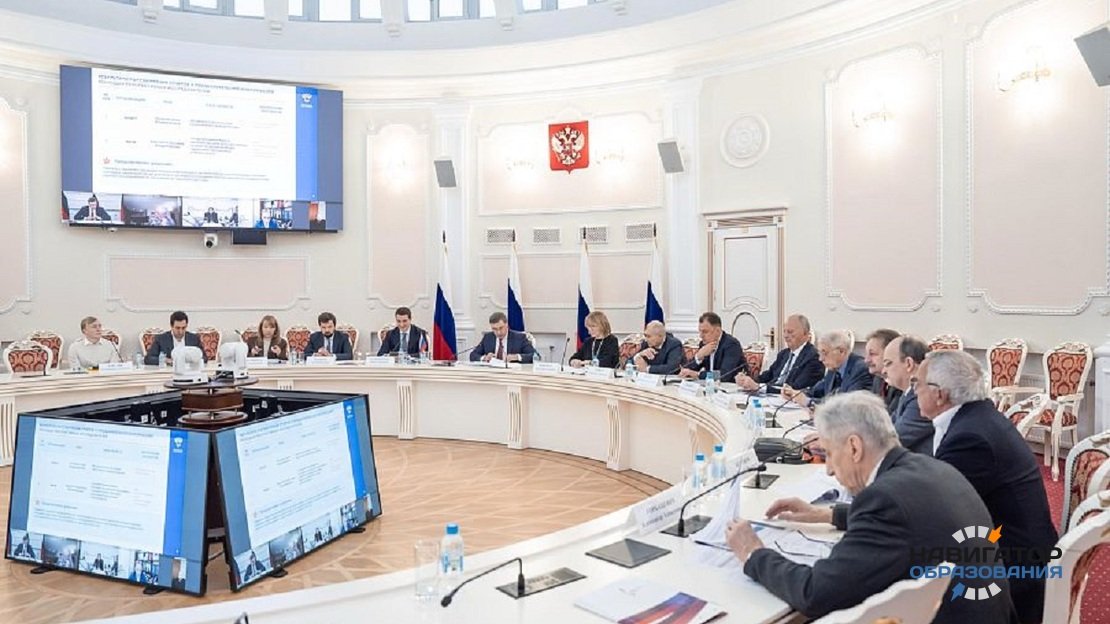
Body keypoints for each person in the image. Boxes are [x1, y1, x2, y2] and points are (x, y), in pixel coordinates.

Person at [728, 392, 1016, 623]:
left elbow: (816, 594)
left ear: (854, 447)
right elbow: (909, 520)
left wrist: (754, 553)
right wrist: (828, 514)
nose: (829, 469)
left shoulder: (883, 500)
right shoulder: (931, 467)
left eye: (829, 454)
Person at [918, 350, 1057, 624]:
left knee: (899, 577)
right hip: (1018, 550)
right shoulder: (977, 417)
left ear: (939, 394)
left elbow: (932, 510)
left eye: (917, 385)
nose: (914, 393)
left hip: (1014, 574)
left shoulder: (970, 438)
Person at [735, 314, 824, 393]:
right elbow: (768, 376)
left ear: (805, 333)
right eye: (784, 331)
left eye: (790, 332)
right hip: (770, 397)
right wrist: (747, 380)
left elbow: (795, 389)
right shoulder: (784, 354)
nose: (785, 336)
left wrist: (760, 388)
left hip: (791, 402)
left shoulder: (814, 357)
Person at [784, 330, 872, 408]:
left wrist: (809, 402)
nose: (820, 359)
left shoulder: (861, 369)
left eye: (824, 353)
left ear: (841, 351)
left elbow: (844, 405)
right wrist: (795, 394)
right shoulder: (833, 368)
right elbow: (816, 391)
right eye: (820, 354)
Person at [880, 335, 933, 454]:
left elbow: (892, 441)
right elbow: (886, 426)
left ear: (909, 363)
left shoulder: (922, 397)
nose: (884, 371)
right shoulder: (908, 393)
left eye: (888, 364)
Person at [677, 311, 747, 383]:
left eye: (705, 332)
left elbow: (724, 375)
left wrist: (698, 374)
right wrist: (699, 356)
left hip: (731, 387)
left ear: (718, 331)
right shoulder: (703, 344)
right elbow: (687, 370)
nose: (701, 336)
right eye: (700, 331)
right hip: (710, 386)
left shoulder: (731, 345)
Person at [470, 311, 536, 363]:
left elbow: (535, 356)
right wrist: (485, 358)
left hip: (512, 373)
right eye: (494, 329)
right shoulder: (488, 337)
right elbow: (473, 355)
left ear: (507, 325)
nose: (498, 332)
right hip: (491, 373)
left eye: (501, 328)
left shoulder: (519, 338)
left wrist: (516, 357)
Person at [865, 328, 902, 410]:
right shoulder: (878, 379)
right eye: (866, 354)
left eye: (872, 354)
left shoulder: (901, 382)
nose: (866, 360)